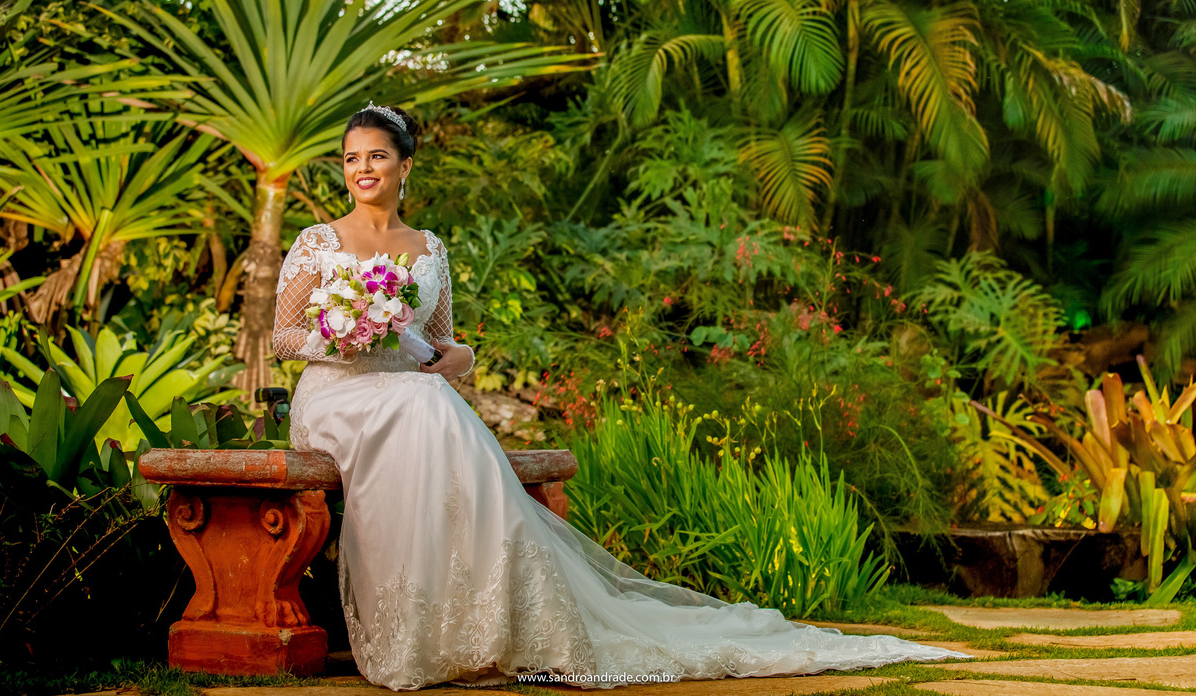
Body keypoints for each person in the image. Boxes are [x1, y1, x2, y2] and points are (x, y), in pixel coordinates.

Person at [272, 103, 966, 691]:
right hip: (340, 391)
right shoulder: (316, 242)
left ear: (404, 166)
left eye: (377, 157)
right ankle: (410, 630)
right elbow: (283, 337)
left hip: (411, 398)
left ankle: (476, 628)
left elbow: (450, 345)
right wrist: (348, 337)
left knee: (433, 412)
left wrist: (460, 357)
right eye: (350, 159)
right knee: (431, 414)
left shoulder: (429, 248)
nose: (362, 169)